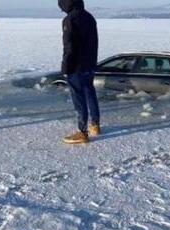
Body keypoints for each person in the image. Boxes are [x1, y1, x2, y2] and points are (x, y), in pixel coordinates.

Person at [58, 0, 101, 144]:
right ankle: (95, 125)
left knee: (78, 97)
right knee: (90, 92)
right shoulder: (89, 17)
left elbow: (69, 46)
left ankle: (82, 132)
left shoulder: (69, 20)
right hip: (90, 64)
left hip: (76, 66)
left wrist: (65, 67)